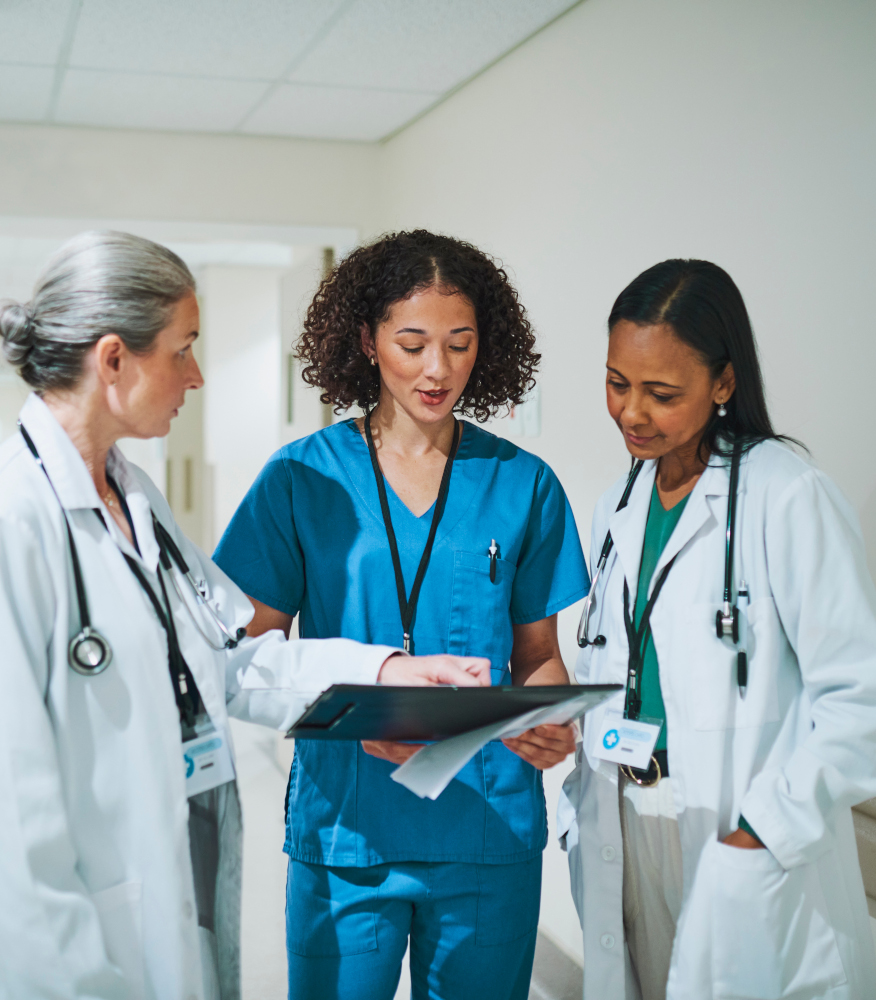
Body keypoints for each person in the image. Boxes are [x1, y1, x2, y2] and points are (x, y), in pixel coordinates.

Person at [0, 230, 489, 1000]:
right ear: (115, 360)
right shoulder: (3, 524)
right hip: (69, 953)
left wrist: (384, 671)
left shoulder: (133, 498)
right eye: (183, 349)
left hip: (167, 891)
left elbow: (227, 658)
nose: (195, 376)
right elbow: (4, 826)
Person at [213, 230, 590, 1000]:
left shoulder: (524, 485)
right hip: (346, 831)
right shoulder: (299, 480)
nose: (438, 369)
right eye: (412, 342)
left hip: (488, 827)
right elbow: (248, 655)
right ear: (367, 339)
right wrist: (352, 714)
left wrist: (553, 717)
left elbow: (538, 653)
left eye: (460, 343)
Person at [559, 259, 876, 1000]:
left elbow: (865, 711)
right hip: (626, 817)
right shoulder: (618, 505)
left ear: (723, 383)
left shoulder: (787, 496)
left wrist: (762, 828)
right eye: (617, 383)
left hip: (740, 832)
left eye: (662, 394)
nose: (631, 413)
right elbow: (619, 670)